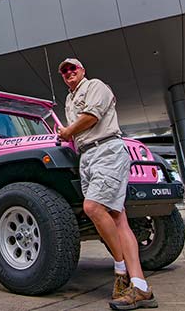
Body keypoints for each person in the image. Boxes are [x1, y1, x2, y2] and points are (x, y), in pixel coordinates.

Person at [55, 58, 157, 310]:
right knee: (118, 218)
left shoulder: (96, 86)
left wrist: (67, 132)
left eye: (72, 68)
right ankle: (140, 286)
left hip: (106, 150)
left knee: (92, 207)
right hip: (87, 156)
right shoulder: (69, 100)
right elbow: (78, 130)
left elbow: (91, 117)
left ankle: (121, 269)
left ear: (83, 70)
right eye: (64, 71)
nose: (68, 72)